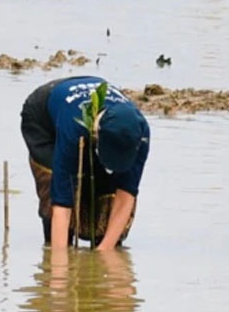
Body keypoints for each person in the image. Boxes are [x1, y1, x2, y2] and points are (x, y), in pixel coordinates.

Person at [20, 77, 150, 251]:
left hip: (99, 124)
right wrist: (58, 271)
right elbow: (61, 204)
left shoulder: (140, 133)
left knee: (106, 198)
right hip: (45, 118)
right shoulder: (72, 129)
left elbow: (126, 193)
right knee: (55, 186)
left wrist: (104, 250)